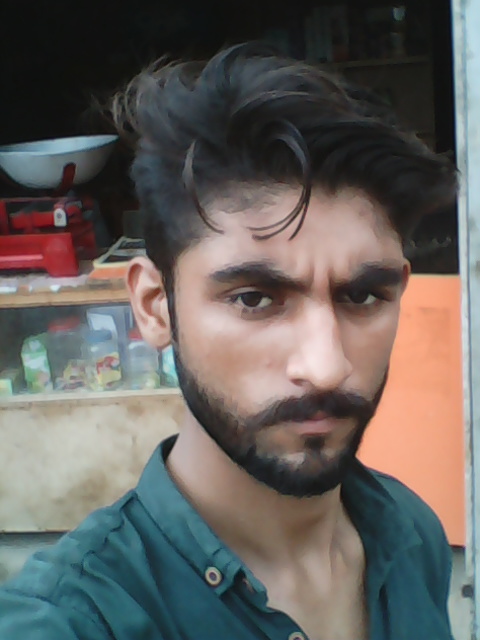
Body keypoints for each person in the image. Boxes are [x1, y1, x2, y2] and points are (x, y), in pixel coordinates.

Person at [0, 42, 457, 640]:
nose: (326, 366)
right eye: (254, 299)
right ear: (155, 306)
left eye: (363, 296)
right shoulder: (73, 620)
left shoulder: (413, 534)